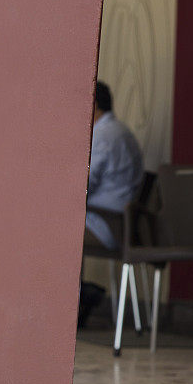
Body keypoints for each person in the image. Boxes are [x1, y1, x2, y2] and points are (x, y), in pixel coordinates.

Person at [80, 81, 144, 326]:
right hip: (118, 222)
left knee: (51, 232)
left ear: (93, 104)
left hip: (105, 224)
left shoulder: (103, 135)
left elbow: (84, 185)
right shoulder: (120, 131)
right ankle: (83, 295)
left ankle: (78, 298)